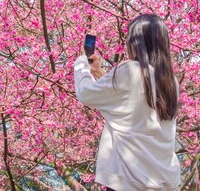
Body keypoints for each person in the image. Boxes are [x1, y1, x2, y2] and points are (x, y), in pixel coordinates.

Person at [74, 14, 180, 191]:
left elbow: (85, 93)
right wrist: (99, 73)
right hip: (164, 181)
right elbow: (135, 101)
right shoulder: (171, 82)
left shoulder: (129, 69)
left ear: (135, 43)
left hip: (130, 180)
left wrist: (82, 64)